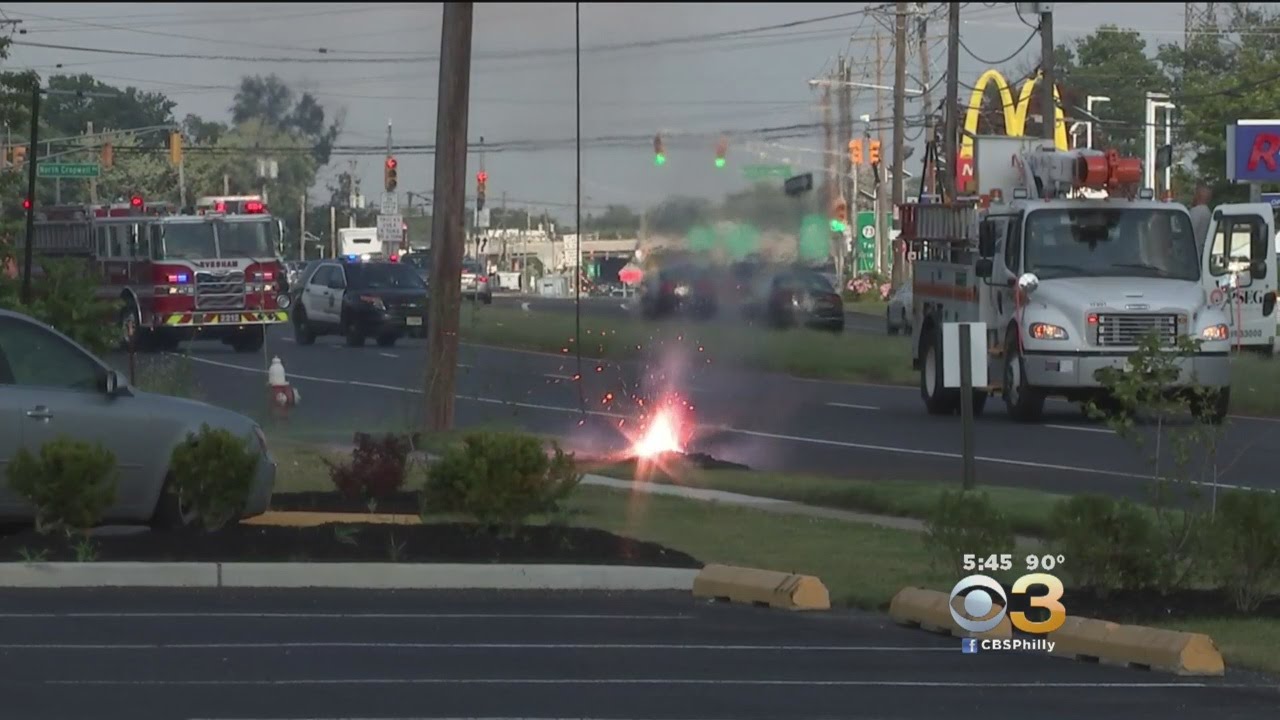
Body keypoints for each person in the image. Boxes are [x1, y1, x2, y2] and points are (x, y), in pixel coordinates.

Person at [1188, 184, 1212, 257]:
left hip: (1191, 254)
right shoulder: (1208, 212)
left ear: (1198, 196)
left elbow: (1188, 231)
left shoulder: (1196, 211)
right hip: (1201, 252)